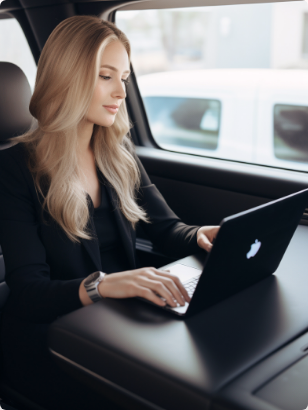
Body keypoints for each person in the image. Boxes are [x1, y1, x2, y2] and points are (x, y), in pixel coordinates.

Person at [0, 15, 219, 410]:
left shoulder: (116, 152)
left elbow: (169, 230)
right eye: (106, 76)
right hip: (55, 334)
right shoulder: (15, 168)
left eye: (125, 77)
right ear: (67, 77)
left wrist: (201, 234)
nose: (120, 90)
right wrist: (103, 285)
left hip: (122, 320)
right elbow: (28, 293)